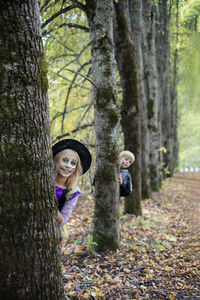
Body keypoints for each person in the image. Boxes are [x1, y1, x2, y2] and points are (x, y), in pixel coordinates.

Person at [52, 139, 92, 240]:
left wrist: (50, 204)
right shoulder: (44, 180)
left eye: (73, 163)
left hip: (52, 233)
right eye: (65, 160)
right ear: (56, 161)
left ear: (75, 169)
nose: (68, 165)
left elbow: (63, 220)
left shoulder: (72, 192)